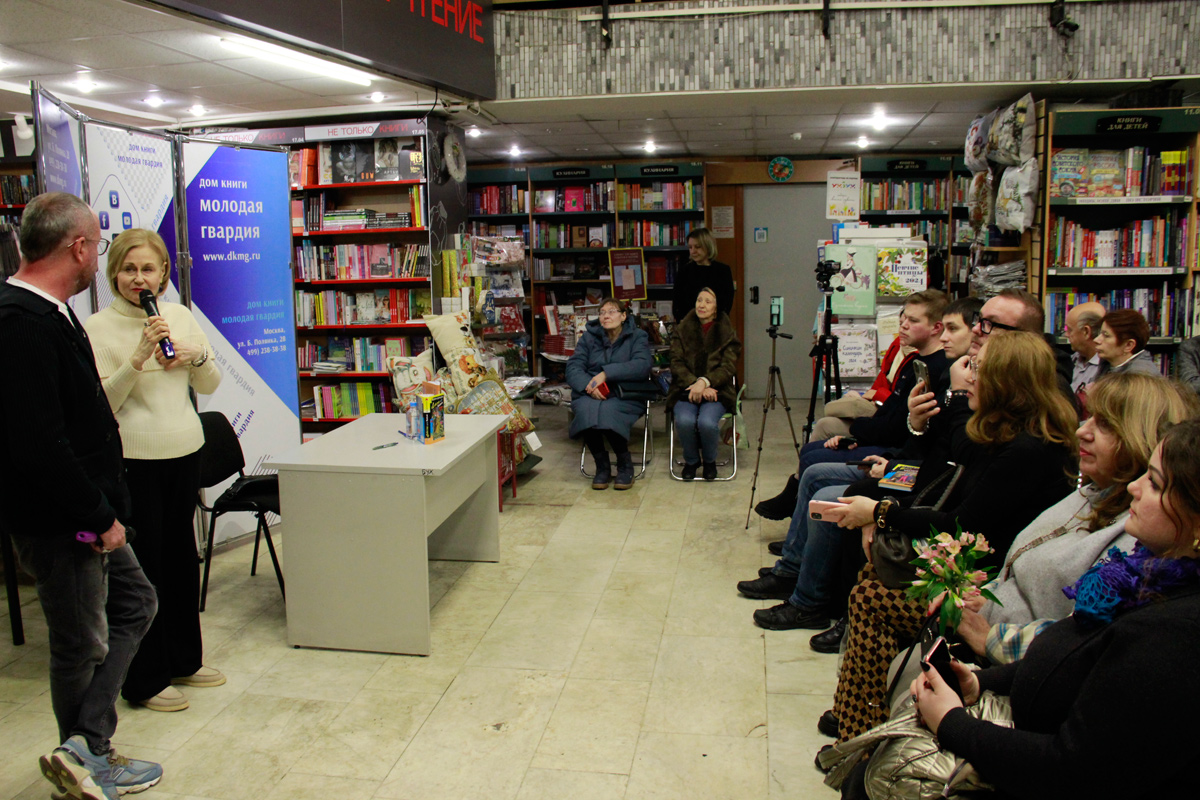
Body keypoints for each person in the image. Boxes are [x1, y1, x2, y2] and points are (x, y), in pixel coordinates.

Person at [901, 419, 1200, 800]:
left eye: (1155, 483)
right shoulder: (1142, 577)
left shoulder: (1174, 633)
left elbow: (1074, 769)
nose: (1134, 488)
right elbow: (1075, 658)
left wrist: (951, 723)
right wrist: (982, 683)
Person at [822, 331, 1078, 742]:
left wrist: (880, 513)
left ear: (1006, 382)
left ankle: (858, 734)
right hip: (971, 571)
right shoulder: (1003, 433)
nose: (967, 376)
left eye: (978, 369)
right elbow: (942, 468)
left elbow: (961, 525)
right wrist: (917, 428)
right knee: (871, 578)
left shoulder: (1027, 450)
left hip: (985, 591)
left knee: (871, 597)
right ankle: (859, 714)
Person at [0, 193, 160, 799]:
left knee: (136, 602)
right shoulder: (20, 323)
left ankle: (82, 745)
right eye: (97, 244)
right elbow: (39, 445)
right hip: (63, 521)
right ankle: (87, 762)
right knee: (80, 643)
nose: (98, 256)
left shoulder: (53, 312)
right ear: (78, 247)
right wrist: (97, 515)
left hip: (89, 511)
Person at [740, 297, 981, 644]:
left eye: (953, 329)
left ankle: (809, 600)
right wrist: (898, 448)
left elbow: (943, 456)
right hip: (906, 465)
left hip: (915, 478)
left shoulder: (955, 382)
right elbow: (917, 435)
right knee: (816, 468)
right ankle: (794, 570)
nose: (945, 337)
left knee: (830, 489)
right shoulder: (931, 369)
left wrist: (889, 457)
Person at [84, 228, 225, 713]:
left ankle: (185, 660)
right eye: (129, 269)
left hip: (184, 451)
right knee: (147, 570)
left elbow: (209, 383)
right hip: (134, 460)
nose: (139, 279)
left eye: (148, 269)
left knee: (182, 560)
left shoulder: (179, 315)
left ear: (164, 272)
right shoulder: (97, 328)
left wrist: (196, 355)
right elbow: (102, 404)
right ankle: (145, 679)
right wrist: (138, 357)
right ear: (113, 273)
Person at [755, 290, 948, 521]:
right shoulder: (916, 362)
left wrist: (858, 431)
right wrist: (856, 436)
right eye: (903, 318)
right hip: (887, 440)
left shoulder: (936, 370)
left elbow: (897, 430)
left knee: (812, 460)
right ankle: (796, 511)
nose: (903, 325)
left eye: (913, 321)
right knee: (811, 448)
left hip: (894, 453)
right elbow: (890, 411)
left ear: (936, 328)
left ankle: (797, 521)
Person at [566, 297, 652, 490]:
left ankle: (624, 464)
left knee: (608, 411)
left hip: (625, 393)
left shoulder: (638, 336)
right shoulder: (589, 338)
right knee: (585, 410)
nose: (606, 316)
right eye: (602, 312)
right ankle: (602, 466)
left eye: (612, 311)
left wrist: (606, 374)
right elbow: (573, 367)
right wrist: (589, 385)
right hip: (591, 391)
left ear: (623, 316)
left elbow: (642, 365)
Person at [667, 287, 741, 481]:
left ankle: (709, 461)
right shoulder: (682, 330)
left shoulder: (727, 333)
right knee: (685, 421)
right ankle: (692, 461)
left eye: (708, 301)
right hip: (685, 389)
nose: (702, 305)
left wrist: (705, 382)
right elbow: (675, 362)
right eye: (699, 300)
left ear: (716, 308)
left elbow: (728, 367)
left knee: (706, 423)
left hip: (717, 391)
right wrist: (696, 384)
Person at [671, 227, 734, 323]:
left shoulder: (723, 271)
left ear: (708, 246)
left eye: (697, 247)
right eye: (690, 247)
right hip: (689, 325)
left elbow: (726, 303)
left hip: (715, 325)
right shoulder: (684, 271)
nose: (693, 251)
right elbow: (677, 302)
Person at [1095, 307, 1160, 377]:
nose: (1096, 340)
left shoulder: (1140, 377)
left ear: (1128, 345)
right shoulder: (1107, 363)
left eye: (1106, 335)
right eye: (1100, 333)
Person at [1063, 300, 1105, 394]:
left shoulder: (1106, 371)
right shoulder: (1069, 361)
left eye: (1070, 330)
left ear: (1086, 332)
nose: (1066, 335)